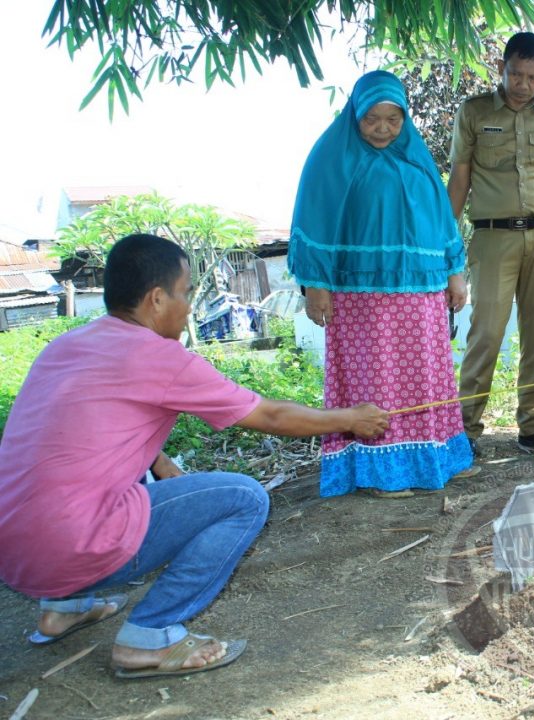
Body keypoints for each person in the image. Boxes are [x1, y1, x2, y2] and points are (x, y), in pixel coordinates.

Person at [0, 233, 390, 678]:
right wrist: (350, 418)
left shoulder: (65, 347)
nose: (189, 307)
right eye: (185, 293)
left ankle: (62, 609)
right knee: (243, 497)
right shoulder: (159, 356)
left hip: (16, 553)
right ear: (156, 299)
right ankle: (149, 636)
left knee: (82, 494)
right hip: (73, 547)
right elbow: (271, 415)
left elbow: (84, 433)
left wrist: (160, 461)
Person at [288, 70, 474, 498]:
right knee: (378, 377)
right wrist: (316, 285)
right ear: (356, 113)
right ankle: (380, 471)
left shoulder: (417, 159)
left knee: (428, 376)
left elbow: (442, 220)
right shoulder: (331, 158)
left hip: (422, 293)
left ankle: (437, 457)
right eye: (373, 118)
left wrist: (455, 273)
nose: (383, 128)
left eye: (394, 119)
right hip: (361, 295)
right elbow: (313, 216)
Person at [447, 31, 534, 455]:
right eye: (515, 74)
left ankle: (533, 425)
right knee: (486, 331)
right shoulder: (472, 112)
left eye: (532, 77)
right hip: (493, 236)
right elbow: (460, 178)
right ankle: (465, 429)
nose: (522, 85)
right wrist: (444, 244)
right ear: (501, 68)